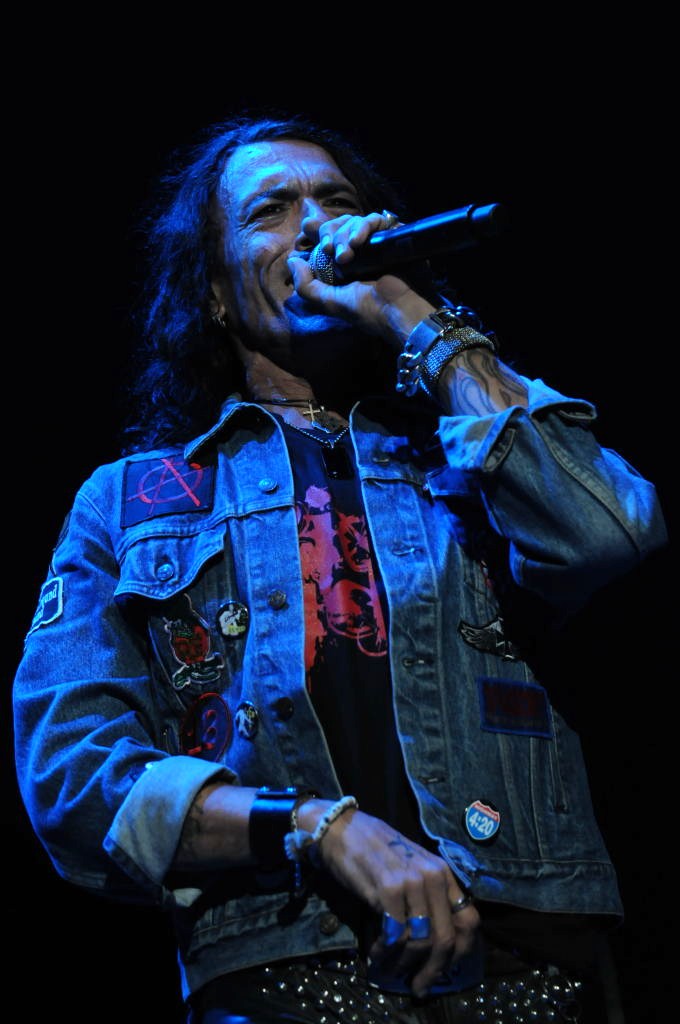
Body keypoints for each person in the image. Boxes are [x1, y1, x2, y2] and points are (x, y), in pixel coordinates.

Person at [12, 112, 667, 1024]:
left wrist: (415, 318)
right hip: (282, 967)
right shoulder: (130, 502)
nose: (317, 225)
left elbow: (608, 534)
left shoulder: (469, 449)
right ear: (214, 293)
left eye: (337, 200)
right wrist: (313, 825)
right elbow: (72, 777)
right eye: (272, 210)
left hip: (532, 959)